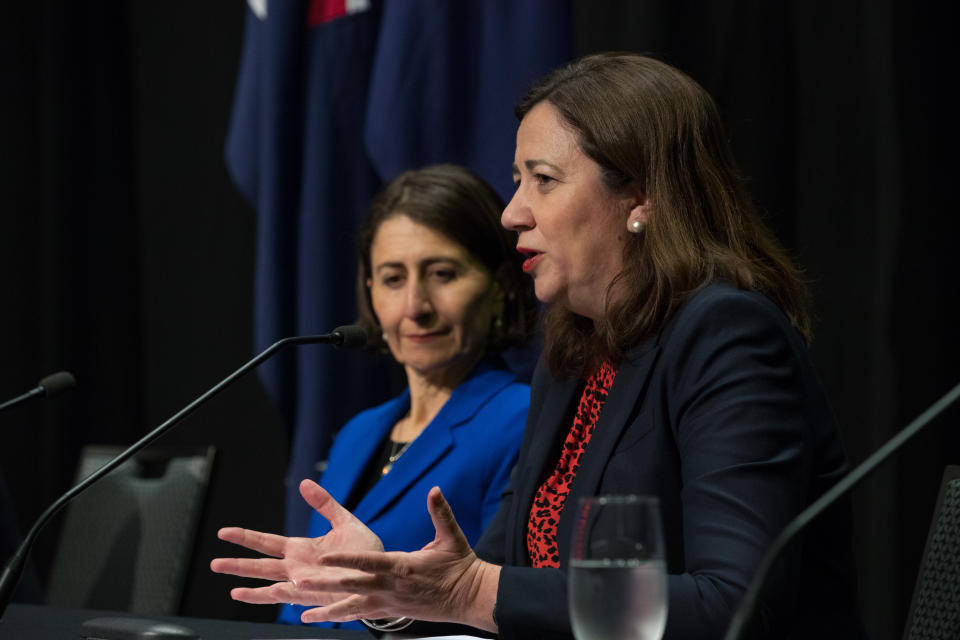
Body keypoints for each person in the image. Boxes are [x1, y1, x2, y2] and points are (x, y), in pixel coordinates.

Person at [211, 53, 866, 639]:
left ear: (639, 195)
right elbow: (508, 581)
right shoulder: (576, 350)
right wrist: (395, 591)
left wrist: (474, 591)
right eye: (516, 180)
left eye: (543, 180)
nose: (512, 213)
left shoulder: (725, 335)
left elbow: (736, 606)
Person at [273, 164, 538, 629]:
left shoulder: (523, 420)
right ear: (371, 293)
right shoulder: (358, 433)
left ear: (500, 288)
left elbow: (513, 610)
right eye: (393, 279)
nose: (415, 307)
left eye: (442, 273)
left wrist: (386, 611)